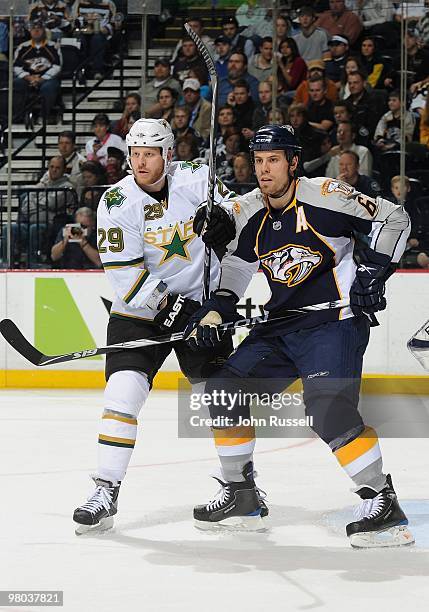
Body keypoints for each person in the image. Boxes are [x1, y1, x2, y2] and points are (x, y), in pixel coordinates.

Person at [186, 123, 413, 548]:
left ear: (293, 162)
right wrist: (217, 308)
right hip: (283, 324)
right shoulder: (251, 209)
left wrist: (374, 270)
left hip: (335, 320)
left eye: (273, 160)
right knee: (223, 391)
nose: (264, 170)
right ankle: (241, 495)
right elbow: (236, 264)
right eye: (258, 161)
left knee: (326, 408)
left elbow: (394, 216)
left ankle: (381, 500)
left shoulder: (326, 194)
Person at [72, 118, 237, 534]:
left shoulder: (199, 177)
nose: (140, 161)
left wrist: (227, 221)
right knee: (122, 395)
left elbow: (238, 214)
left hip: (202, 308)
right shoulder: (115, 202)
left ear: (168, 154)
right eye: (135, 153)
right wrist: (178, 312)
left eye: (149, 153)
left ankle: (242, 489)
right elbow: (125, 275)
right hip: (139, 313)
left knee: (223, 398)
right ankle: (106, 489)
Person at [13, 19, 62, 119]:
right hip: (28, 78)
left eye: (39, 29)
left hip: (47, 79)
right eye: (33, 29)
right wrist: (28, 77)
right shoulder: (22, 47)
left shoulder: (53, 46)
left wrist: (42, 79)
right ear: (30, 31)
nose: (36, 31)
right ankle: (20, 116)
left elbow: (57, 66)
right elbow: (16, 67)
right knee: (16, 83)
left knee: (49, 87)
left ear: (43, 30)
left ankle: (44, 117)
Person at [73, 0, 117, 79]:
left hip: (102, 33)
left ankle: (97, 71)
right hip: (84, 32)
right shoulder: (79, 2)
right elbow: (74, 21)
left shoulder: (109, 3)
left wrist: (106, 29)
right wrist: (86, 21)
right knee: (79, 39)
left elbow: (114, 23)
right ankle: (80, 70)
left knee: (97, 38)